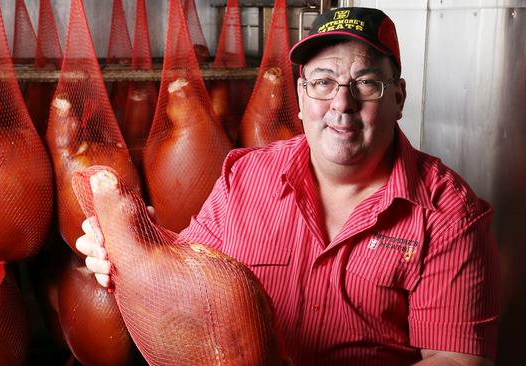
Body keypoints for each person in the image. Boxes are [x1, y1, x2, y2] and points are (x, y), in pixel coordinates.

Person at [77, 7, 500, 366]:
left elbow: (456, 359)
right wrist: (139, 251)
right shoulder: (245, 178)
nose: (341, 104)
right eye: (322, 82)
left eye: (366, 84)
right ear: (300, 98)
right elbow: (193, 284)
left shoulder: (448, 212)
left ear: (399, 98)